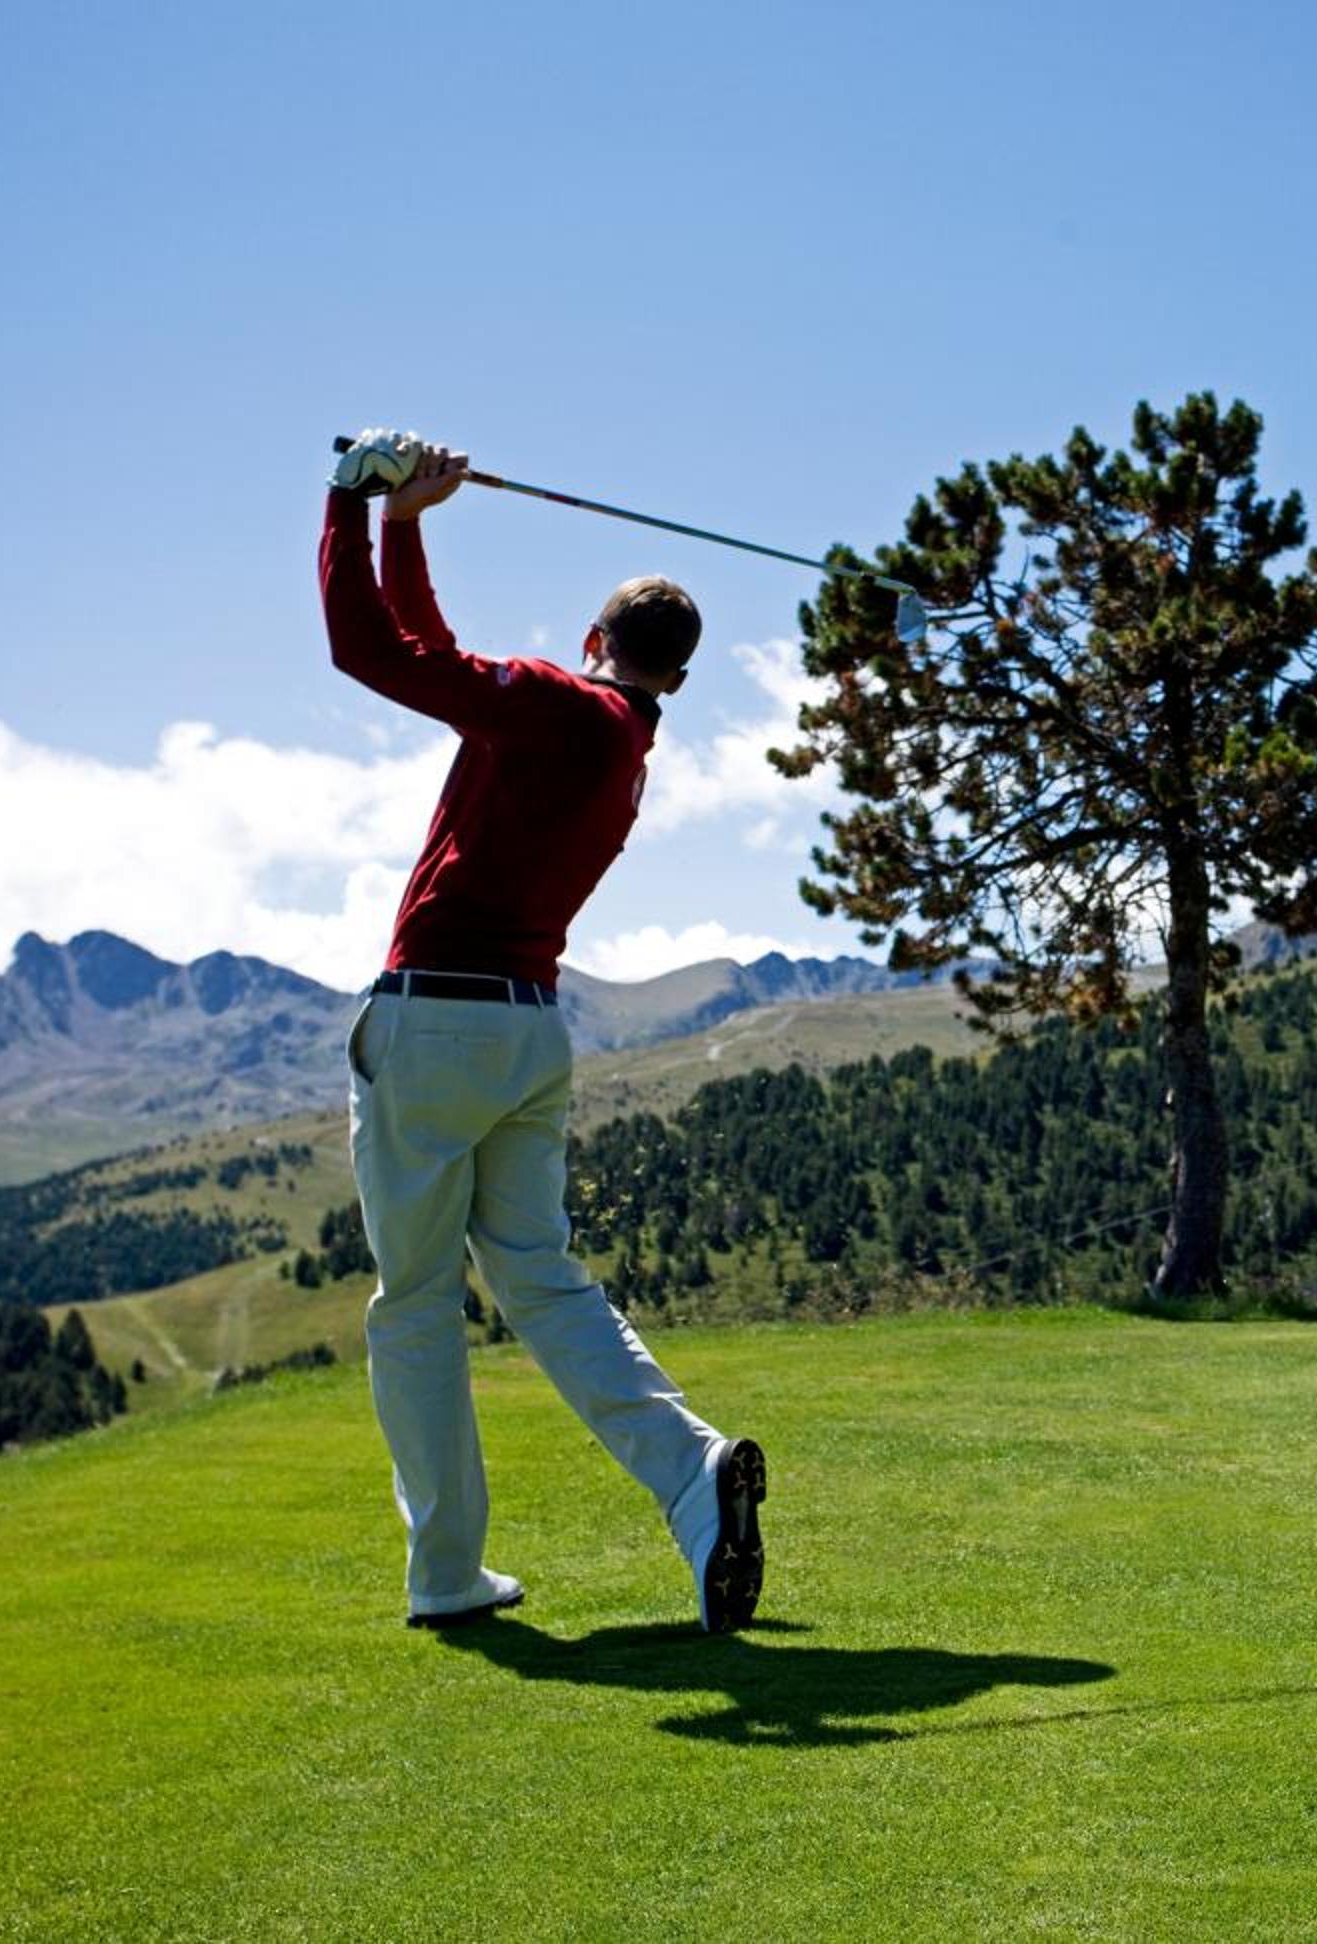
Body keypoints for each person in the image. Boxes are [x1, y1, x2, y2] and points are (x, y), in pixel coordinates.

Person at [318, 427, 764, 1633]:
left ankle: (446, 1574)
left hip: (435, 1025)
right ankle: (694, 1476)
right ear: (675, 678)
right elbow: (436, 658)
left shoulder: (557, 706)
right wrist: (406, 523)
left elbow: (373, 653)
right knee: (542, 1280)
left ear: (590, 642)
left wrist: (349, 502)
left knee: (416, 1303)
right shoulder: (617, 736)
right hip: (527, 1037)